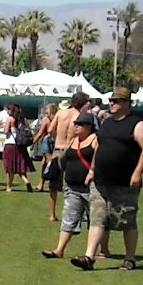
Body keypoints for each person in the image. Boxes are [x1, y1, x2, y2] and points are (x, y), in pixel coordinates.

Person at [71, 86, 143, 271]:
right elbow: (99, 146)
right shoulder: (106, 122)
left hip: (124, 182)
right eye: (111, 100)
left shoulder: (137, 124)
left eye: (116, 101)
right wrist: (92, 169)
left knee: (126, 220)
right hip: (100, 181)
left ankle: (130, 258)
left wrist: (137, 173)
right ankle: (89, 257)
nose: (111, 103)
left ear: (126, 103)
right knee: (97, 218)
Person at [42, 110, 98, 260]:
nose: (76, 126)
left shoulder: (95, 139)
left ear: (89, 126)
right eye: (76, 124)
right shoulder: (73, 140)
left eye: (80, 124)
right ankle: (59, 250)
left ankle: (101, 250)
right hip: (73, 187)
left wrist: (91, 172)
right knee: (68, 218)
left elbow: (99, 159)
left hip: (91, 188)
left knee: (96, 220)